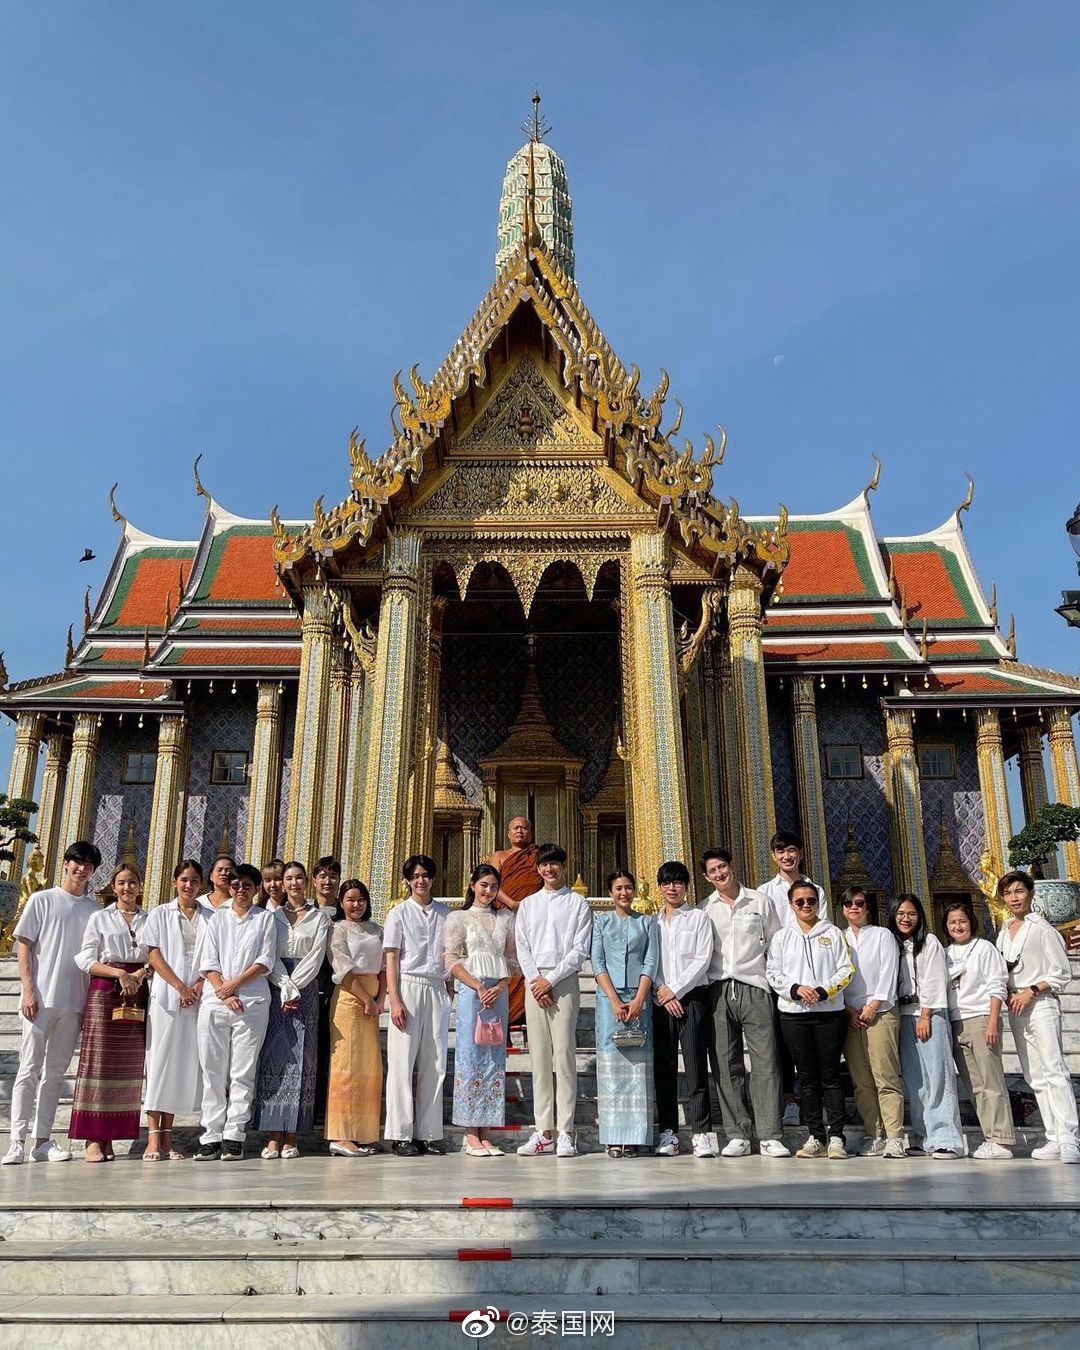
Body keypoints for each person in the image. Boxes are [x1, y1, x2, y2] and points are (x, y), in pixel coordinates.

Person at [3, 840, 102, 1166]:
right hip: (40, 1000)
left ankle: (42, 1141)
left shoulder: (94, 911)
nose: (82, 868)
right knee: (28, 1070)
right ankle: (16, 1141)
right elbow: (24, 946)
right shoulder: (42, 900)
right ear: (65, 863)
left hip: (74, 1003)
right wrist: (28, 990)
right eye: (77, 862)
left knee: (55, 1074)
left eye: (88, 865)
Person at [701, 848, 788, 1159]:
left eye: (722, 866)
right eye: (713, 871)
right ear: (706, 877)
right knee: (726, 1065)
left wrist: (775, 985)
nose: (719, 874)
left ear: (732, 865)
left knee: (766, 1063)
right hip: (719, 990)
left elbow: (776, 944)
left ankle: (769, 1134)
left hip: (755, 987)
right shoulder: (705, 909)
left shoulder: (759, 901)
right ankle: (737, 1133)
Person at [192, 863, 278, 1161]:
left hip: (251, 1002)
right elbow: (208, 960)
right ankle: (211, 1134)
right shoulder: (217, 919)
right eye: (237, 884)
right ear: (230, 887)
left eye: (248, 885)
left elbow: (264, 960)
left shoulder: (265, 919)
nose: (241, 889)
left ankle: (234, 1134)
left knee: (242, 1071)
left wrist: (234, 986)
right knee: (213, 1071)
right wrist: (223, 991)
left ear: (257, 889)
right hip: (216, 1003)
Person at [68, 863, 151, 1161]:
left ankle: (112, 1135)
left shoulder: (149, 919)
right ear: (113, 887)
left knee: (126, 1065)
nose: (127, 887)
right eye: (121, 883)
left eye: (132, 882)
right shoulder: (100, 918)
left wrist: (139, 974)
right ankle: (93, 1137)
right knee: (98, 1061)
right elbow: (86, 958)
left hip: (138, 990)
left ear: (140, 885)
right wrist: (120, 974)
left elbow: (157, 955)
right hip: (106, 990)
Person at [514, 844, 592, 1158]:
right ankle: (543, 1130)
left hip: (564, 981)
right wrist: (536, 980)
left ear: (563, 866)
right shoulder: (529, 905)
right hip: (535, 984)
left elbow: (579, 949)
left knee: (564, 1057)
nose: (549, 870)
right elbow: (522, 946)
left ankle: (565, 1131)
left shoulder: (577, 903)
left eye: (554, 865)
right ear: (538, 869)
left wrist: (551, 979)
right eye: (544, 865)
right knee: (540, 1059)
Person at [996, 870, 1079, 1163]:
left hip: (1040, 1002)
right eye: (1008, 893)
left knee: (1054, 1070)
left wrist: (1031, 990)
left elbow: (1061, 973)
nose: (1014, 898)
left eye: (1019, 891)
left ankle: (1070, 1137)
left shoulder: (1043, 929)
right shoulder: (1004, 931)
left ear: (1031, 894)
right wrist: (1006, 992)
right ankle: (1053, 1135)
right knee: (1035, 1076)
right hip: (1016, 1005)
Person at [767, 881, 854, 1159]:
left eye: (810, 901)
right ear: (791, 905)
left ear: (818, 902)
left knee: (830, 1075)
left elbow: (846, 969)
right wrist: (794, 989)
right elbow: (773, 971)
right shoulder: (781, 936)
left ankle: (837, 1136)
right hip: (795, 1015)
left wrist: (822, 990)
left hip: (828, 1013)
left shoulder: (833, 933)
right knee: (806, 1078)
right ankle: (815, 1135)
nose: (806, 906)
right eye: (800, 901)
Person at [253, 862, 332, 1159]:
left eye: (299, 878)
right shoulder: (270, 918)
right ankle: (273, 1134)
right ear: (281, 884)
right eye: (289, 878)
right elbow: (267, 954)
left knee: (302, 1059)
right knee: (275, 1055)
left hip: (305, 988)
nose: (294, 883)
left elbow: (316, 956)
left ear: (307, 883)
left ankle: (292, 1134)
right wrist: (283, 984)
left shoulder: (318, 919)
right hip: (275, 986)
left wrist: (294, 986)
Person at [445, 863, 518, 1156]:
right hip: (472, 990)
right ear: (473, 884)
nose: (488, 891)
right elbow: (450, 958)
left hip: (497, 992)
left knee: (493, 1056)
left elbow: (512, 959)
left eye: (493, 886)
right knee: (470, 1054)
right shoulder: (458, 918)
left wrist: (499, 987)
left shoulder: (505, 918)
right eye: (483, 885)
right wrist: (477, 986)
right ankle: (470, 1133)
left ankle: (486, 1131)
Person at [383, 854, 452, 1157]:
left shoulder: (446, 914)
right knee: (401, 1062)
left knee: (435, 1062)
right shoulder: (398, 913)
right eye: (415, 876)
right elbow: (391, 958)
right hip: (408, 986)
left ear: (432, 878)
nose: (421, 880)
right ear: (408, 881)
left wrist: (450, 990)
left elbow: (451, 956)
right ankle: (400, 1134)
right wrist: (394, 998)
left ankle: (428, 1132)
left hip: (436, 986)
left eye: (425, 875)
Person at [143, 859, 212, 1161]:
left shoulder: (210, 917)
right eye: (184, 880)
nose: (189, 885)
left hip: (197, 998)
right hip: (167, 997)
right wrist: (179, 987)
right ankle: (152, 1138)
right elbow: (154, 954)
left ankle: (168, 1138)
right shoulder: (160, 914)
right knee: (158, 1063)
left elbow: (214, 955)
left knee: (180, 1066)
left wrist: (196, 984)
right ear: (175, 882)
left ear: (201, 885)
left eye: (194, 881)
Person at [888, 893, 964, 1159]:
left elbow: (934, 979)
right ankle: (924, 1136)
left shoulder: (929, 942)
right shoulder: (894, 945)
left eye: (911, 913)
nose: (906, 919)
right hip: (905, 1014)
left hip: (929, 1014)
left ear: (920, 917)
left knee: (938, 1077)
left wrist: (926, 1015)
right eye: (901, 914)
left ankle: (947, 1138)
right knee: (915, 1080)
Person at [760, 830, 828, 1126]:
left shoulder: (816, 890)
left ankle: (816, 1101)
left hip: (813, 978)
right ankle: (789, 1100)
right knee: (784, 1044)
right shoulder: (765, 892)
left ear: (800, 852)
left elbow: (821, 930)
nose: (786, 856)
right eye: (780, 851)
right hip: (782, 978)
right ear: (773, 856)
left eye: (791, 850)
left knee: (815, 1046)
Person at [652, 860, 716, 1159]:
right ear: (660, 887)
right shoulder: (653, 922)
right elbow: (650, 962)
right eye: (666, 883)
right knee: (663, 1070)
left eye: (677, 882)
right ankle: (669, 1131)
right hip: (660, 1001)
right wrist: (663, 992)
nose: (672, 887)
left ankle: (702, 1132)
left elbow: (702, 960)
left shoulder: (699, 919)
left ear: (687, 886)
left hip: (691, 999)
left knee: (694, 1068)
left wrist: (674, 990)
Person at [591, 869, 657, 1158]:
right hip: (610, 1000)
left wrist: (639, 999)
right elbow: (597, 961)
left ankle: (634, 1136)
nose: (624, 893)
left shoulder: (646, 923)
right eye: (618, 888)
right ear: (610, 892)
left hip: (639, 999)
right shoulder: (601, 923)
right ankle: (613, 1135)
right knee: (611, 1067)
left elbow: (651, 960)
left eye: (628, 888)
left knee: (636, 1069)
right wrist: (615, 1000)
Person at [944, 900, 1016, 1161]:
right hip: (956, 1021)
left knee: (991, 1082)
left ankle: (1002, 1139)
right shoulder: (945, 953)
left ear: (971, 922)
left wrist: (993, 1022)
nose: (957, 926)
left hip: (981, 1018)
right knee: (974, 1085)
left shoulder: (984, 948)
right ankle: (990, 1137)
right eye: (952, 922)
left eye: (962, 921)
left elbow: (998, 985)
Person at [841, 885, 905, 1159]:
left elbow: (888, 971)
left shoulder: (882, 935)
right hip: (849, 1014)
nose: (854, 908)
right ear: (842, 909)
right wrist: (849, 1009)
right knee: (861, 1080)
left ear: (868, 908)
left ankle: (894, 1136)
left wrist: (874, 1004)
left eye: (859, 903)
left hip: (880, 1012)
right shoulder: (837, 937)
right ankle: (874, 1133)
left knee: (885, 1076)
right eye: (849, 904)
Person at [325, 879, 385, 1157]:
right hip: (350, 1001)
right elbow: (344, 968)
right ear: (341, 902)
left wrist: (380, 999)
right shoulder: (337, 930)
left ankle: (363, 1132)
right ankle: (341, 1134)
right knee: (346, 1067)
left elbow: (385, 966)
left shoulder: (377, 930)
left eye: (360, 899)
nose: (356, 905)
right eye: (350, 899)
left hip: (372, 1004)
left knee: (368, 1069)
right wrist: (367, 999)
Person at [490, 816, 541, 1037]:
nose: (520, 831)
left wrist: (527, 906)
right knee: (506, 966)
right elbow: (491, 884)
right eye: (516, 828)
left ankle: (526, 1017)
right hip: (505, 916)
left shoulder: (536, 856)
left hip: (530, 919)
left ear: (530, 833)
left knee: (527, 965)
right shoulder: (499, 856)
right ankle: (505, 1017)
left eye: (524, 828)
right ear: (509, 833)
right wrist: (511, 902)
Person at [311, 856, 341, 1126]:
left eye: (332, 876)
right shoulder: (304, 913)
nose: (327, 881)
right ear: (314, 880)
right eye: (322, 876)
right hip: (310, 986)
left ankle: (328, 1107)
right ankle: (310, 1105)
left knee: (333, 1050)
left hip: (339, 989)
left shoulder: (346, 912)